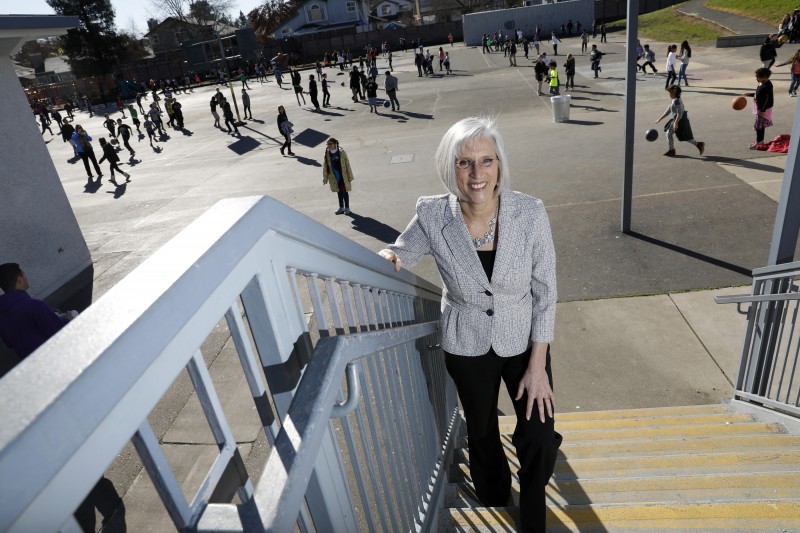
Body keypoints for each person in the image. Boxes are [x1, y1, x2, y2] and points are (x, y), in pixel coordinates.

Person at [377, 116, 559, 533]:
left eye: (486, 161)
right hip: (466, 341)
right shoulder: (432, 213)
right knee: (481, 430)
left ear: (499, 164)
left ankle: (532, 520)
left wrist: (538, 365)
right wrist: (391, 256)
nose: (477, 174)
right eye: (465, 163)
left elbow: (546, 291)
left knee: (539, 435)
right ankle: (494, 494)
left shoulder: (530, 212)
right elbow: (403, 248)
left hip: (524, 341)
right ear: (451, 167)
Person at [0, 263, 76, 360]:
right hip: (54, 358)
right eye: (23, 274)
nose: (26, 277)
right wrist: (69, 319)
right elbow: (59, 332)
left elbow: (9, 343)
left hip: (29, 366)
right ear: (19, 279)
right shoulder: (35, 306)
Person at [654, 85, 705, 157]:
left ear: (674, 93)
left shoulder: (676, 101)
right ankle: (698, 144)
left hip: (680, 120)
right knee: (675, 135)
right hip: (677, 120)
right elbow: (668, 111)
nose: (668, 94)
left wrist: (676, 123)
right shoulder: (674, 100)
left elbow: (680, 113)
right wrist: (659, 119)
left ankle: (672, 150)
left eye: (669, 93)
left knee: (680, 136)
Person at [744, 67, 775, 149]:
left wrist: (763, 110)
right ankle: (760, 141)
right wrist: (750, 94)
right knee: (760, 126)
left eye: (758, 77)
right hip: (760, 108)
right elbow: (759, 94)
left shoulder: (768, 86)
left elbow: (769, 99)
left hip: (763, 109)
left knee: (759, 127)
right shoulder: (762, 83)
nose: (756, 78)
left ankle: (759, 143)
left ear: (764, 77)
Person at [322, 138, 354, 215]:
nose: (328, 146)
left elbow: (347, 164)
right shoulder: (327, 153)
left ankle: (347, 207)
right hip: (334, 176)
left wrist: (350, 176)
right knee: (338, 192)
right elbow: (325, 166)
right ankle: (341, 207)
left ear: (335, 144)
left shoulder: (342, 152)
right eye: (328, 144)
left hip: (343, 176)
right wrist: (325, 178)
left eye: (330, 144)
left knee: (344, 191)